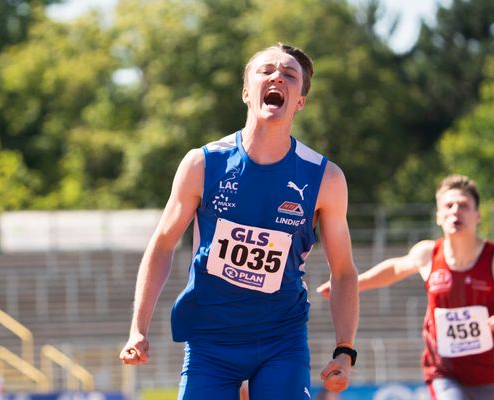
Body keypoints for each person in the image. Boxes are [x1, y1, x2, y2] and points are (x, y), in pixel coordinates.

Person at [119, 43, 359, 399]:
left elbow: (343, 272)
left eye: (290, 75)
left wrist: (345, 349)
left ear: (299, 102)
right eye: (266, 70)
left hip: (282, 338)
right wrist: (138, 329)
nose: (278, 75)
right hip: (211, 340)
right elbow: (163, 244)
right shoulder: (202, 165)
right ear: (247, 92)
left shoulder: (325, 178)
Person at [317, 174, 494, 400]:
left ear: (478, 215)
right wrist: (348, 285)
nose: (455, 210)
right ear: (438, 216)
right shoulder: (428, 254)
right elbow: (394, 269)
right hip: (442, 372)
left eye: (464, 205)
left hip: (489, 377)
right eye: (448, 205)